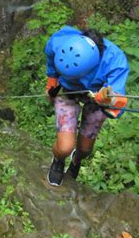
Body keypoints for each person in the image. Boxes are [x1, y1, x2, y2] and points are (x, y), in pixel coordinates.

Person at [44, 25, 129, 186]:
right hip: (68, 91)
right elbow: (51, 60)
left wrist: (107, 98)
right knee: (64, 147)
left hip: (97, 96)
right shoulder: (59, 43)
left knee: (85, 149)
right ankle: (59, 159)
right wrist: (52, 84)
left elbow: (119, 101)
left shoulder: (115, 61)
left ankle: (77, 159)